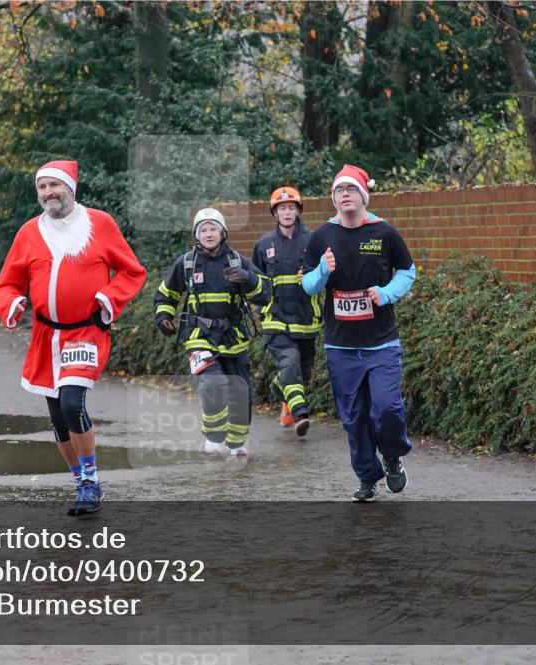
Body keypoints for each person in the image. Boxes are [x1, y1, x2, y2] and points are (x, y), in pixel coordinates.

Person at [0, 160, 146, 515]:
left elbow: (131, 271)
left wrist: (110, 297)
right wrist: (11, 302)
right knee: (58, 417)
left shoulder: (99, 224)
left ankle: (91, 481)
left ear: (71, 188)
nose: (48, 193)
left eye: (54, 186)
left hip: (86, 332)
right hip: (46, 337)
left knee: (73, 404)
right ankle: (79, 482)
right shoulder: (29, 231)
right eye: (42, 187)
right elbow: (6, 282)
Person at [302, 165, 417, 502]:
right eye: (339, 191)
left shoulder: (384, 232)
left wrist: (385, 294)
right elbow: (307, 284)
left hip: (381, 341)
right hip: (340, 345)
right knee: (354, 418)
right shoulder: (321, 236)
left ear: (363, 195)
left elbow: (407, 272)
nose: (345, 195)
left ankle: (393, 457)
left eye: (351, 189)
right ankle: (368, 478)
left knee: (387, 408)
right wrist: (324, 270)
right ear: (334, 198)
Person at [154, 208, 271, 457]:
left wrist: (248, 278)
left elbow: (266, 293)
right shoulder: (186, 263)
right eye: (203, 229)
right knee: (212, 383)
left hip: (233, 337)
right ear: (197, 235)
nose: (208, 234)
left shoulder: (238, 262)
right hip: (198, 336)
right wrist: (163, 316)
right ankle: (214, 437)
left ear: (222, 232)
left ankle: (237, 443)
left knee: (241, 391)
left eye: (213, 228)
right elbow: (166, 294)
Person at [252, 187, 322, 437]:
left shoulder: (314, 241)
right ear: (275, 212)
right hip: (276, 321)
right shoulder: (264, 245)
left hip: (306, 321)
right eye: (282, 208)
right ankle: (301, 414)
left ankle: (281, 391)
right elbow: (256, 283)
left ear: (299, 210)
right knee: (289, 361)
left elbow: (324, 275)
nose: (287, 212)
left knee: (300, 375)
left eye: (291, 207)